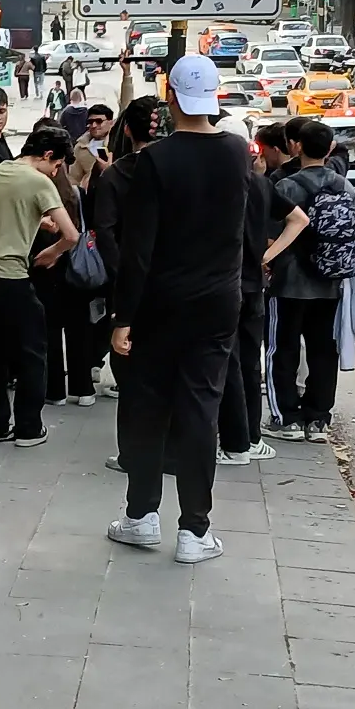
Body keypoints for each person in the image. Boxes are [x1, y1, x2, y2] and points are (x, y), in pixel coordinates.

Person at [108, 55, 251, 564]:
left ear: (170, 98)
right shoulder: (238, 152)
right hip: (217, 302)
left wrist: (123, 318)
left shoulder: (155, 161)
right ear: (214, 97)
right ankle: (195, 530)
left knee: (146, 407)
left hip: (159, 304)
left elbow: (138, 249)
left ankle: (141, 516)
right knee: (200, 408)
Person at [0, 126, 79, 447]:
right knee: (32, 351)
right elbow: (71, 235)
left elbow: (2, 213)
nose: (56, 173)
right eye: (57, 167)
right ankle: (28, 426)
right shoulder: (41, 182)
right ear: (48, 156)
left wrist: (39, 220)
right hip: (10, 276)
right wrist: (50, 253)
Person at [215, 120, 309, 466]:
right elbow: (298, 219)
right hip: (254, 285)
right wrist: (267, 255)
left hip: (222, 284)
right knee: (249, 363)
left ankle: (233, 440)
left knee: (224, 363)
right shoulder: (260, 185)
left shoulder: (215, 185)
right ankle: (250, 438)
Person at [266, 119, 355, 442]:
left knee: (283, 349)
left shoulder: (286, 187)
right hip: (330, 284)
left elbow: (270, 237)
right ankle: (318, 419)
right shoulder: (344, 187)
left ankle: (286, 418)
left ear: (296, 147)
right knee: (323, 350)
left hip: (289, 283)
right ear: (330, 148)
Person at [94, 96, 161, 473]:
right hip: (174, 282)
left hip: (125, 286)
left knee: (128, 368)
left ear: (128, 130)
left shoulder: (116, 175)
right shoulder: (175, 170)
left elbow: (104, 229)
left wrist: (122, 272)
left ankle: (132, 450)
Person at [29, 120, 96, 408]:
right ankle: (83, 388)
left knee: (50, 331)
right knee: (78, 329)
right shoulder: (73, 192)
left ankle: (54, 388)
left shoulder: (36, 190)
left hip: (45, 266)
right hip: (75, 267)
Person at [69, 104, 115, 187]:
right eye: (90, 122)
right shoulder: (80, 147)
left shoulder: (117, 144)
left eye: (99, 121)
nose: (94, 125)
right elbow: (74, 178)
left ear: (110, 123)